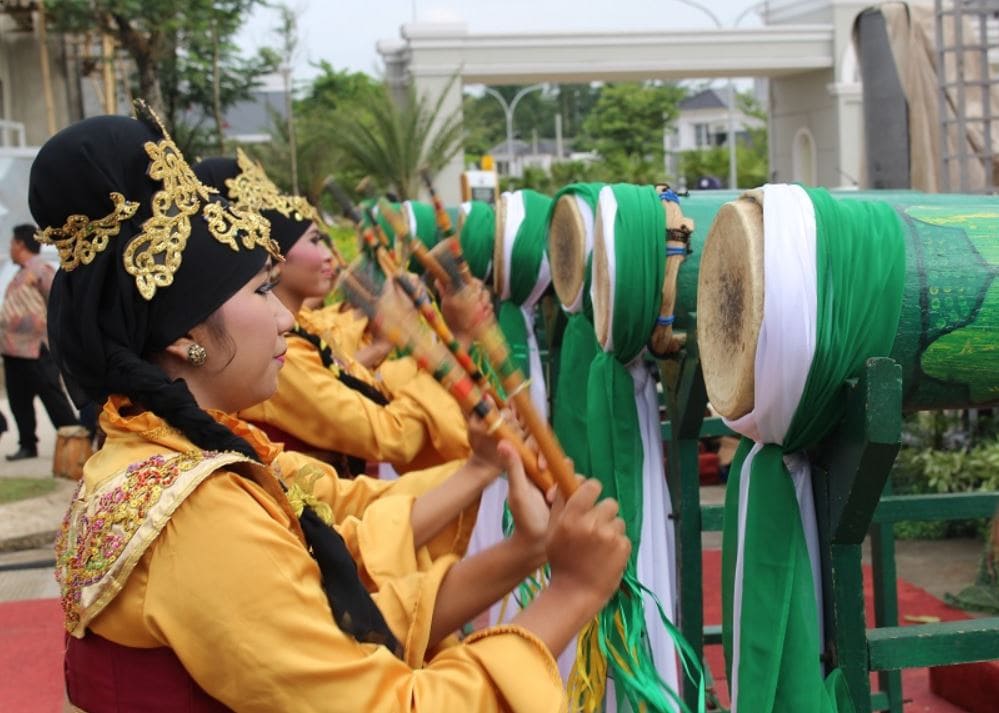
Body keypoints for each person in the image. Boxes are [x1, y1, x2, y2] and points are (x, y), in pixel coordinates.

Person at [37, 109, 630, 711]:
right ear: (182, 332)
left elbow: (346, 591)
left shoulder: (177, 456)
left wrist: (522, 548)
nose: (285, 318)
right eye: (260, 291)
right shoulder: (195, 512)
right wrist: (572, 593)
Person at [195, 153, 480, 475]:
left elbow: (350, 363)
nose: (332, 257)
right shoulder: (271, 352)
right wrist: (456, 341)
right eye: (316, 241)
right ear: (276, 257)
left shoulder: (298, 329)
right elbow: (392, 435)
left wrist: (384, 327)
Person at [0, 223, 77, 460]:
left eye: (12, 243)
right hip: (13, 350)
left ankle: (75, 440)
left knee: (53, 397)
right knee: (19, 402)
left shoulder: (41, 269)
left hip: (37, 349)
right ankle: (27, 444)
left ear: (21, 244)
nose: (10, 248)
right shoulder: (20, 273)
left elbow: (57, 303)